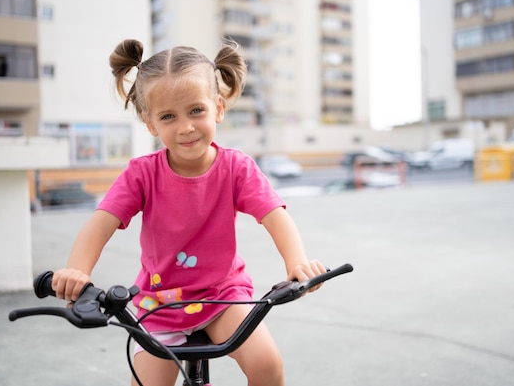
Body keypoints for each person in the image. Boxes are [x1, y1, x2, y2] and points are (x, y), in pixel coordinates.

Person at [51, 38, 326, 386]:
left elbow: (275, 215)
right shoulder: (142, 173)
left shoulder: (236, 167)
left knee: (267, 365)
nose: (185, 127)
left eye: (196, 110)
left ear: (218, 108)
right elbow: (100, 223)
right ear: (150, 124)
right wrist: (77, 271)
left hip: (222, 294)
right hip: (160, 303)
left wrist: (296, 263)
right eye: (168, 116)